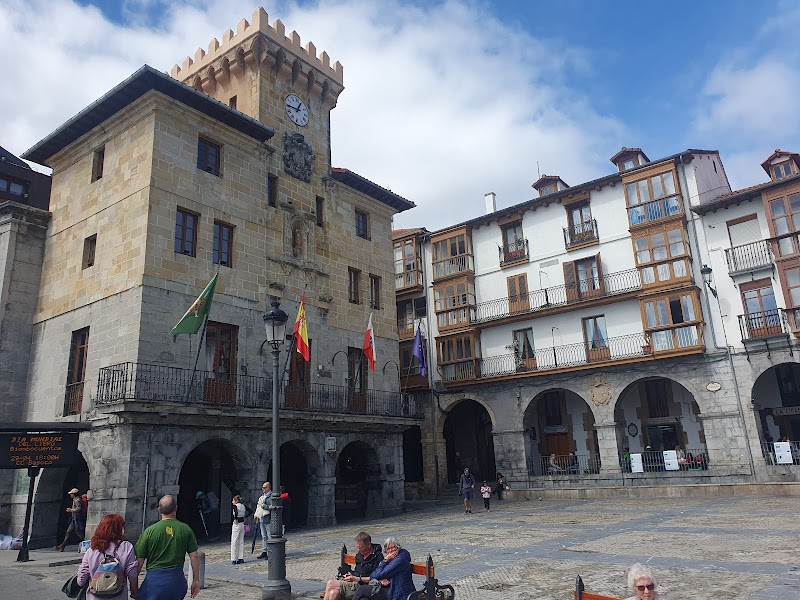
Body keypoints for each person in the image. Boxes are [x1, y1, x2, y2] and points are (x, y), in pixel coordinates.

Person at [135, 494, 200, 600]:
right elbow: (194, 556)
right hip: (177, 581)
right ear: (176, 508)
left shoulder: (149, 531)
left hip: (154, 582)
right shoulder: (186, 529)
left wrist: (134, 585)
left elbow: (139, 562)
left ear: (159, 510)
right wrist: (196, 580)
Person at [76, 513, 139, 600]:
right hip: (118, 596)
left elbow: (81, 581)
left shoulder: (91, 550)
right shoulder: (126, 547)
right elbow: (132, 574)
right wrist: (134, 592)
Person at [323, 531, 383, 600]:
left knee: (331, 583)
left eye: (361, 547)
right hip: (354, 583)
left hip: (363, 586)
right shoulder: (360, 555)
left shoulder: (377, 557)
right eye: (358, 548)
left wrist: (355, 578)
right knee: (333, 593)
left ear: (369, 544)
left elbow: (375, 577)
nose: (359, 550)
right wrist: (350, 576)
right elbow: (357, 572)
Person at [255, 482, 271, 559]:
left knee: (269, 536)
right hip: (262, 518)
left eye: (264, 488)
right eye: (262, 488)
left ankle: (270, 551)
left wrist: (263, 505)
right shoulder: (261, 497)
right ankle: (265, 551)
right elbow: (258, 507)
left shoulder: (271, 496)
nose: (263, 489)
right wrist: (257, 515)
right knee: (264, 536)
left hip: (268, 519)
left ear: (268, 488)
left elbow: (271, 507)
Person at [230, 495, 246, 565]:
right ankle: (241, 557)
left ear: (236, 501)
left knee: (234, 541)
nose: (232, 502)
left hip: (237, 524)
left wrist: (235, 518)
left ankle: (234, 558)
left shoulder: (235, 506)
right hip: (242, 523)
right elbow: (250, 511)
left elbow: (235, 511)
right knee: (241, 541)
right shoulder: (243, 506)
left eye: (233, 500)